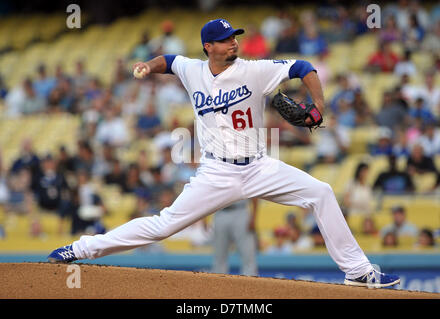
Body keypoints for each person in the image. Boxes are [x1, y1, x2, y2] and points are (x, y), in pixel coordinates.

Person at [48, 19, 400, 288]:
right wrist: (146, 67)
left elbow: (303, 67)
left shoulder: (254, 71)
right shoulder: (193, 70)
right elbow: (168, 60)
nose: (234, 43)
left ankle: (357, 273)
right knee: (163, 225)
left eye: (235, 38)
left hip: (259, 167)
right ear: (208, 46)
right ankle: (81, 250)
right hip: (217, 173)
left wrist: (319, 105)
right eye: (226, 39)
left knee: (321, 192)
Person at [211, 199, 258, 276]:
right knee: (219, 255)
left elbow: (255, 196)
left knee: (248, 254)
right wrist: (204, 218)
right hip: (220, 212)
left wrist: (253, 218)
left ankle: (250, 284)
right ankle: (218, 284)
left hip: (241, 210)